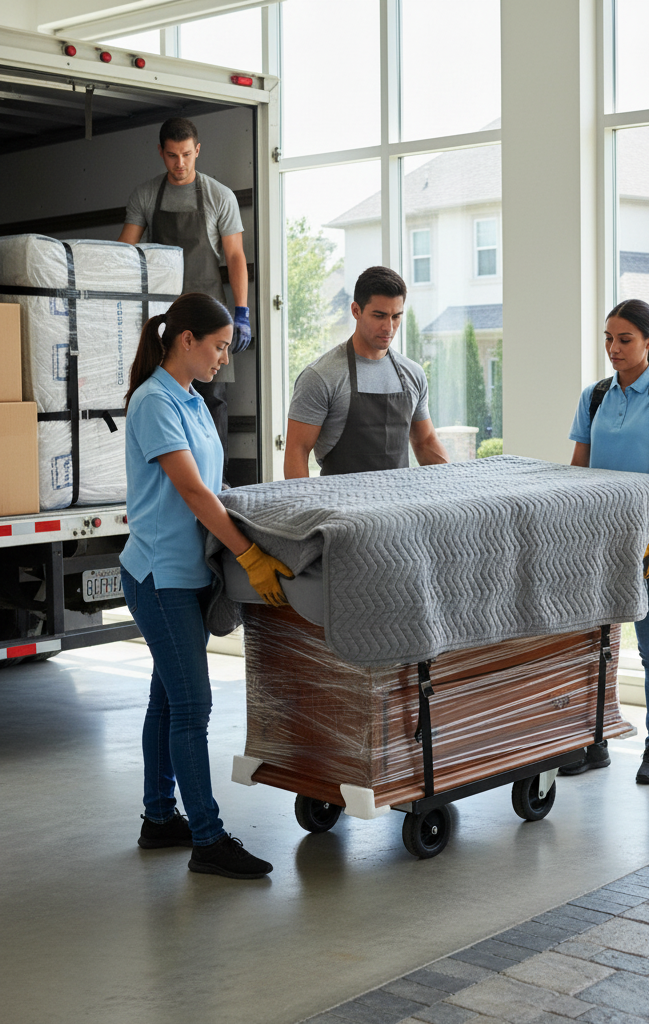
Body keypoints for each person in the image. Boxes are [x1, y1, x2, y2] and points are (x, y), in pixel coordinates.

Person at [120, 292, 293, 880]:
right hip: (160, 576)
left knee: (167, 700)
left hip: (192, 574)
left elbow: (215, 487)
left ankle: (158, 818)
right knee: (193, 706)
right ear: (186, 339)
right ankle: (208, 839)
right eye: (218, 347)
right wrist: (249, 553)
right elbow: (194, 492)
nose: (224, 358)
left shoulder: (192, 399)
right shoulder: (154, 402)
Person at [562, 299, 649, 784]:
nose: (613, 348)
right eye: (608, 339)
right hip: (599, 543)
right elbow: (578, 470)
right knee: (594, 644)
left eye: (625, 339)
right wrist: (567, 528)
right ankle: (593, 740)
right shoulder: (595, 395)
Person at [118, 117, 250, 485]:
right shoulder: (147, 195)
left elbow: (235, 256)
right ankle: (172, 480)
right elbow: (123, 252)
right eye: (173, 155)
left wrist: (241, 312)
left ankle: (217, 485)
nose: (180, 163)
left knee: (212, 400)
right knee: (161, 396)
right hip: (166, 320)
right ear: (161, 152)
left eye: (187, 155)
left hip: (209, 319)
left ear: (198, 150)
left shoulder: (219, 196)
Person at [284, 266, 449, 477]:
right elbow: (297, 451)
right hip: (340, 497)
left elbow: (425, 442)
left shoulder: (413, 374)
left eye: (396, 316)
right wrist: (304, 499)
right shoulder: (321, 377)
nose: (389, 327)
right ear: (356, 311)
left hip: (399, 496)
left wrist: (452, 482)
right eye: (379, 316)